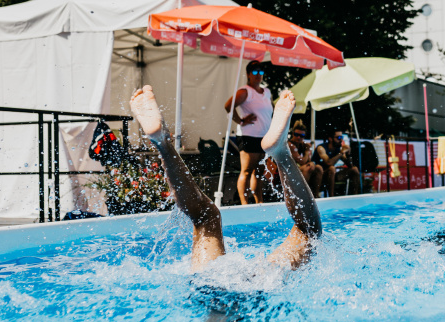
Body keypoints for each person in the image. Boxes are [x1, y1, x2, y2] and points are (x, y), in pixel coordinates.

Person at [131, 85, 321, 272]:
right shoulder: (247, 92)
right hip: (263, 282)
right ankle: (281, 152)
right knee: (308, 230)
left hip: (210, 283)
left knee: (206, 217)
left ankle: (162, 142)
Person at [223, 61, 273, 205]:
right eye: (255, 72)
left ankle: (259, 202)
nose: (258, 75)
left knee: (258, 171)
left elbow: (271, 111)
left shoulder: (267, 92)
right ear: (248, 74)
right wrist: (240, 121)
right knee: (246, 170)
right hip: (249, 136)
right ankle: (244, 204)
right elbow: (228, 106)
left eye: (261, 72)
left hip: (264, 137)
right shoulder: (245, 91)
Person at [314, 129, 360, 196]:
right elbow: (328, 163)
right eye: (338, 138)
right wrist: (341, 153)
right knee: (332, 168)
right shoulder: (321, 148)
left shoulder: (337, 150)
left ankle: (355, 196)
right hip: (319, 177)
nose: (341, 140)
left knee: (354, 170)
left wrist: (348, 154)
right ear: (330, 139)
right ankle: (331, 197)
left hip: (331, 176)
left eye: (342, 137)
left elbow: (350, 165)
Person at [289, 120, 323, 198]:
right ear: (293, 134)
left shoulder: (302, 145)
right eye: (296, 134)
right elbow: (301, 162)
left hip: (297, 171)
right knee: (308, 167)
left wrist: (308, 153)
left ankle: (315, 195)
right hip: (288, 172)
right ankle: (303, 196)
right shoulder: (290, 145)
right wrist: (307, 151)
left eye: (302, 136)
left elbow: (308, 161)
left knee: (318, 168)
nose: (298, 137)